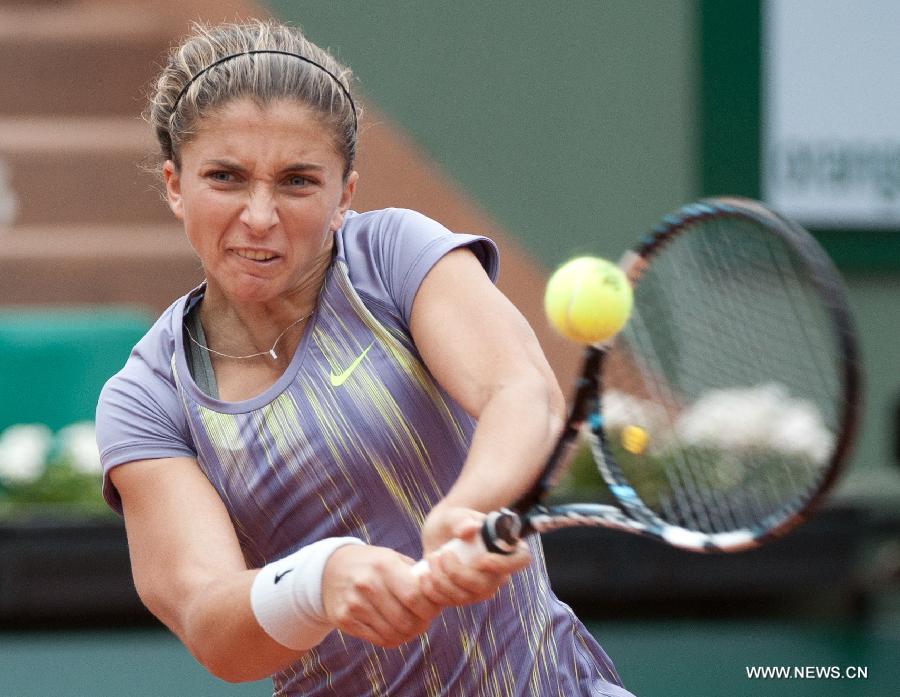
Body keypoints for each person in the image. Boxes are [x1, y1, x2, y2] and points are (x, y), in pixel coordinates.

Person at [96, 19, 635, 697]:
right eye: (226, 177)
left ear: (344, 193)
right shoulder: (148, 397)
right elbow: (211, 623)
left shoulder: (392, 258)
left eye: (296, 181)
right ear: (175, 184)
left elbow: (521, 391)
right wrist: (320, 580)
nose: (259, 215)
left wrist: (463, 510)